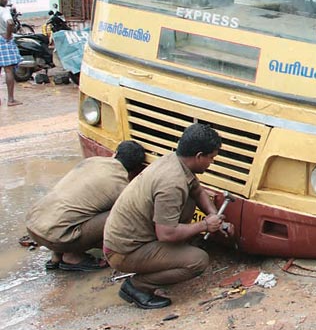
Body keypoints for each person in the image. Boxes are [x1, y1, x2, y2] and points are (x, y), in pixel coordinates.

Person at [103, 123, 233, 309]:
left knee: (189, 200)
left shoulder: (174, 160)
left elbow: (197, 190)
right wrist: (205, 225)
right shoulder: (171, 184)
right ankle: (138, 286)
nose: (211, 163)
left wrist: (215, 217)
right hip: (123, 252)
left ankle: (165, 258)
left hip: (131, 238)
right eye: (211, 158)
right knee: (198, 260)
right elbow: (167, 234)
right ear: (198, 156)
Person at [25, 140, 146, 271]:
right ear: (136, 168)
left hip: (33, 224)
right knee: (120, 213)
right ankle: (72, 256)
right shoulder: (121, 185)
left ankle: (56, 255)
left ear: (115, 153)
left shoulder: (91, 162)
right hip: (57, 237)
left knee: (72, 204)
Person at [0, 0, 22, 106]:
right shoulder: (4, 11)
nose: (6, 0)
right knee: (8, 70)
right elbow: (10, 23)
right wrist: (8, 35)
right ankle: (10, 99)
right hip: (3, 40)